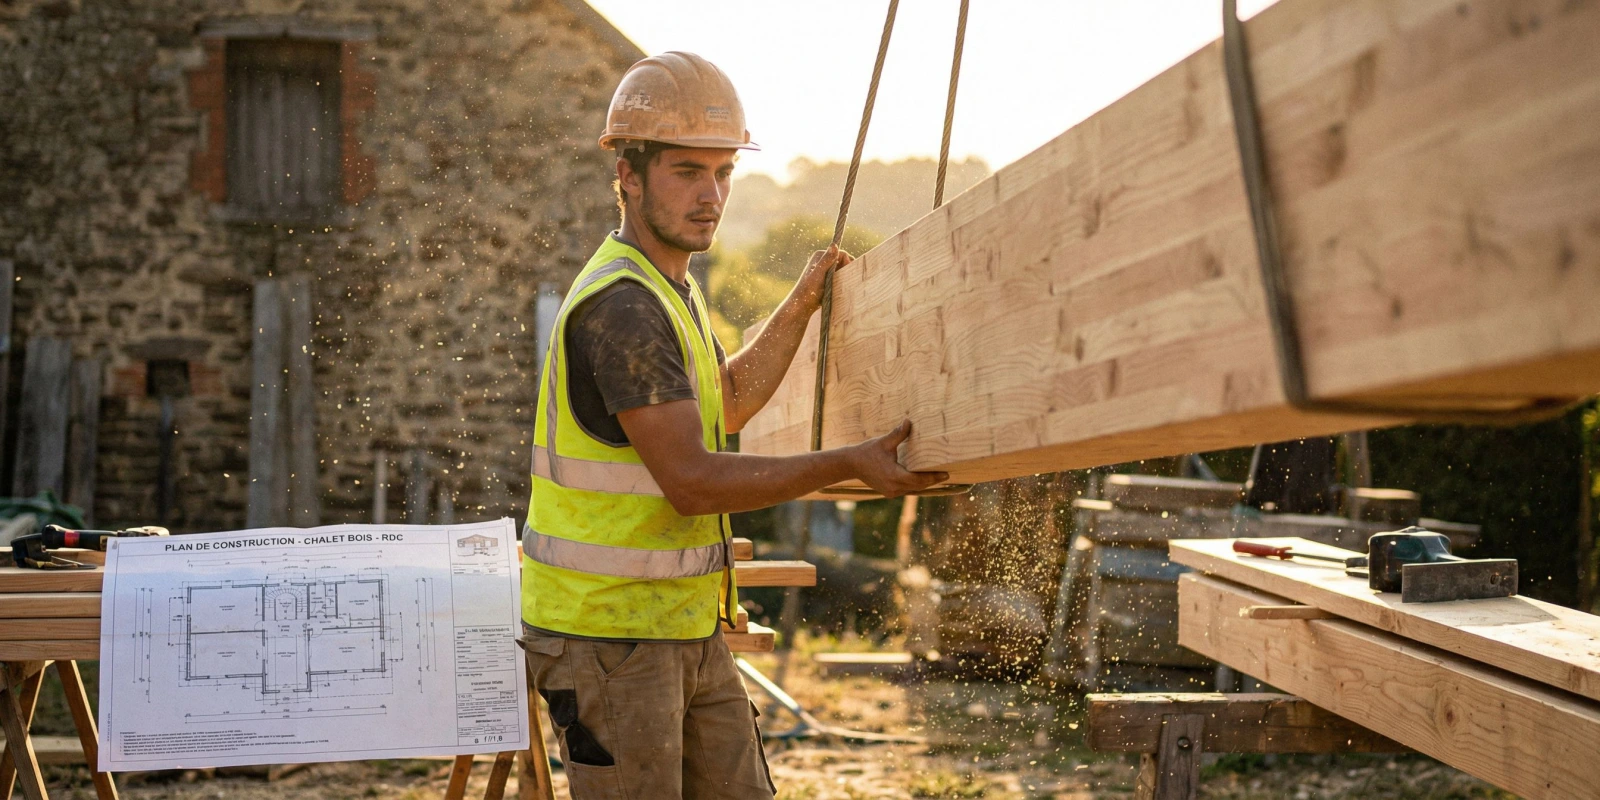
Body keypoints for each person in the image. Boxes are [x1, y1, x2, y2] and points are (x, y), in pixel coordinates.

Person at [517, 51, 946, 799]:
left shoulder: (671, 289)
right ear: (627, 174)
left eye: (722, 172)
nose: (710, 194)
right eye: (687, 171)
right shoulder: (624, 307)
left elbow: (728, 400)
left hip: (682, 627)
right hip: (609, 638)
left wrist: (801, 303)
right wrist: (849, 463)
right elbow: (692, 480)